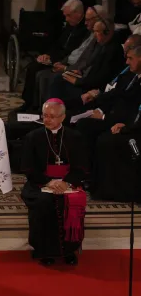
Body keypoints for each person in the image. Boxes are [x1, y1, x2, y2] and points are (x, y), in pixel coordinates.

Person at [21, 99, 88, 266]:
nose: (47, 120)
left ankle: (69, 250)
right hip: (40, 183)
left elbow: (82, 166)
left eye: (52, 116)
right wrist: (49, 182)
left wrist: (67, 182)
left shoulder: (75, 137)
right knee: (45, 202)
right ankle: (44, 250)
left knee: (69, 202)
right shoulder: (33, 137)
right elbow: (28, 168)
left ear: (63, 117)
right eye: (45, 116)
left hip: (68, 183)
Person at [91, 45, 141, 202]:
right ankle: (99, 186)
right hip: (130, 124)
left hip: (136, 129)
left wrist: (126, 128)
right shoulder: (133, 77)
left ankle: (115, 191)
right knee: (99, 135)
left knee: (107, 141)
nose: (127, 62)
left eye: (131, 58)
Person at [20, 0, 89, 111]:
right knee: (33, 67)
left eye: (69, 16)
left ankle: (39, 107)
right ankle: (29, 103)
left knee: (41, 73)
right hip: (56, 58)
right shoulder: (70, 25)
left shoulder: (85, 30)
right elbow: (58, 44)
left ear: (79, 14)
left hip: (66, 61)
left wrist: (56, 61)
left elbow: (74, 52)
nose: (66, 19)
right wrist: (47, 55)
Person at [48, 19, 125, 102]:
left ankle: (55, 111)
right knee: (59, 78)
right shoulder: (104, 46)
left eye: (97, 31)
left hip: (94, 89)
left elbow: (101, 79)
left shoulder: (113, 50)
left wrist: (78, 81)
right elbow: (93, 67)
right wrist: (80, 72)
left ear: (107, 32)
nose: (94, 35)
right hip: (87, 80)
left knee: (58, 83)